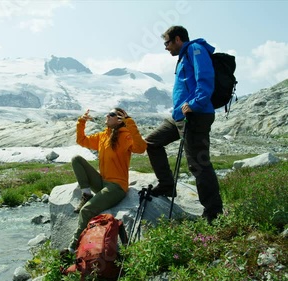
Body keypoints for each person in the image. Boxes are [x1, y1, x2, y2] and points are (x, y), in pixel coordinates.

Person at [145, 25, 223, 224]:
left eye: (167, 43)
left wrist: (195, 104)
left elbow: (205, 78)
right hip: (180, 114)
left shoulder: (195, 50)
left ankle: (214, 213)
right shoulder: (185, 55)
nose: (165, 48)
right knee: (152, 142)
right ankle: (167, 185)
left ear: (178, 39)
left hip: (195, 114)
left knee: (198, 164)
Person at [65, 108, 146, 253]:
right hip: (102, 182)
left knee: (86, 210)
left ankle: (72, 247)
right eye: (107, 113)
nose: (107, 115)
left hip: (117, 187)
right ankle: (87, 194)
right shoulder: (103, 135)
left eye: (112, 114)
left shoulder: (126, 136)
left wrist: (130, 122)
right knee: (76, 159)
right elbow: (81, 140)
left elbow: (140, 148)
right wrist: (81, 122)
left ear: (120, 119)